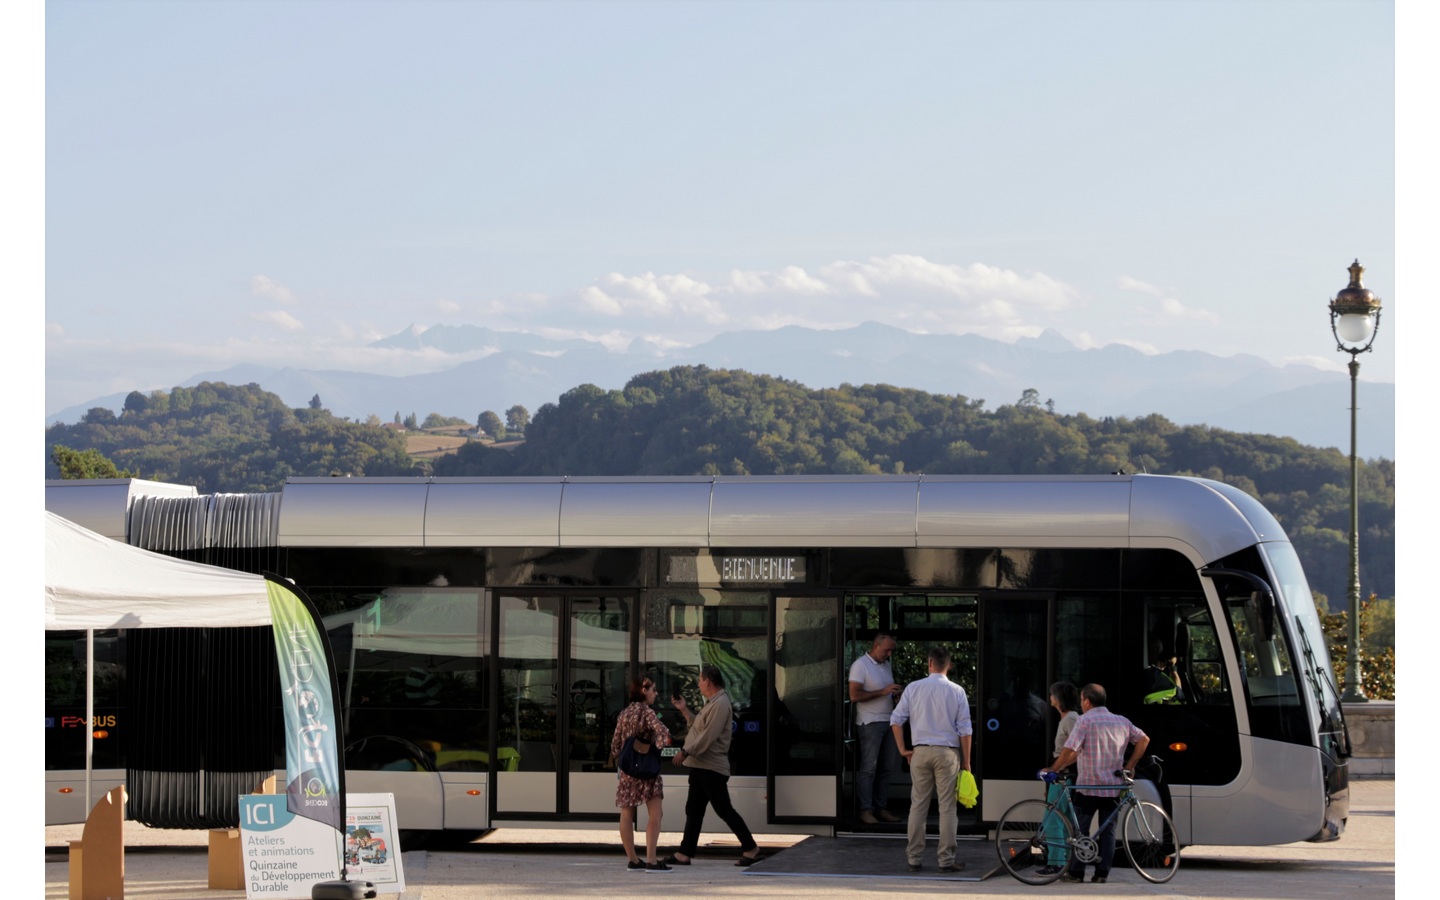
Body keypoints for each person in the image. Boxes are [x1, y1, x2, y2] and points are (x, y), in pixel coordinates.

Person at [1042, 683, 1150, 884]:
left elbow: (1069, 750)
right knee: (1108, 832)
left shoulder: (1084, 721)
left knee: (1081, 831)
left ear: (1087, 701)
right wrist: (1130, 765)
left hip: (1088, 786)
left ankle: (1076, 872)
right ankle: (1102, 874)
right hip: (1113, 787)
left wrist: (1054, 769)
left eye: (1082, 699)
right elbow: (1144, 740)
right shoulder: (1121, 721)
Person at [664, 665, 763, 867]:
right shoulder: (713, 703)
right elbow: (699, 728)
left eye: (700, 680)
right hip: (701, 766)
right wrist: (684, 709)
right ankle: (685, 852)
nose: (699, 684)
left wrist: (685, 751)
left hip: (711, 768)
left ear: (708, 681)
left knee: (724, 809)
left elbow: (708, 737)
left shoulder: (720, 704)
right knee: (694, 809)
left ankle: (751, 847)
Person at [889, 645, 973, 874]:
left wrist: (903, 749)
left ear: (929, 663)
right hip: (947, 753)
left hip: (920, 752)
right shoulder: (957, 691)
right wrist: (966, 761)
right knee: (947, 807)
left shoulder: (914, 688)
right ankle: (946, 860)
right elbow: (965, 729)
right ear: (950, 666)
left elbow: (896, 720)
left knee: (918, 805)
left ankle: (914, 858)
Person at [612, 677, 672, 872]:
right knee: (656, 813)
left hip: (628, 771)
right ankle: (652, 860)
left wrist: (623, 760)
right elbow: (664, 733)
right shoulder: (647, 712)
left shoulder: (624, 713)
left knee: (626, 812)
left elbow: (615, 745)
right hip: (647, 771)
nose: (656, 693)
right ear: (644, 691)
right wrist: (654, 750)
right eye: (653, 690)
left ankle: (633, 859)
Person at [848, 632, 902, 824]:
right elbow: (854, 696)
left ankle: (881, 808)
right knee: (869, 768)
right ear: (876, 645)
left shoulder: (886, 666)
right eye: (887, 650)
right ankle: (865, 810)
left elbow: (885, 692)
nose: (889, 654)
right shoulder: (860, 665)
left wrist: (894, 695)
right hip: (870, 723)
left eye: (891, 651)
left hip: (889, 721)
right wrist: (883, 692)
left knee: (887, 768)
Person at [1038, 681, 1082, 875]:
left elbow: (1076, 748)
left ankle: (1056, 862)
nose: (1050, 698)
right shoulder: (1067, 718)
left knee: (1053, 819)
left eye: (1052, 695)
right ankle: (1064, 861)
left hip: (1063, 776)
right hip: (1063, 775)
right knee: (1062, 820)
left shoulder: (1070, 719)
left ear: (1059, 699)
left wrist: (1058, 767)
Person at [1142, 638, 1180, 704]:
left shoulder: (1152, 674)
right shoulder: (1156, 677)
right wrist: (1172, 667)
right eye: (1159, 651)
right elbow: (1179, 691)